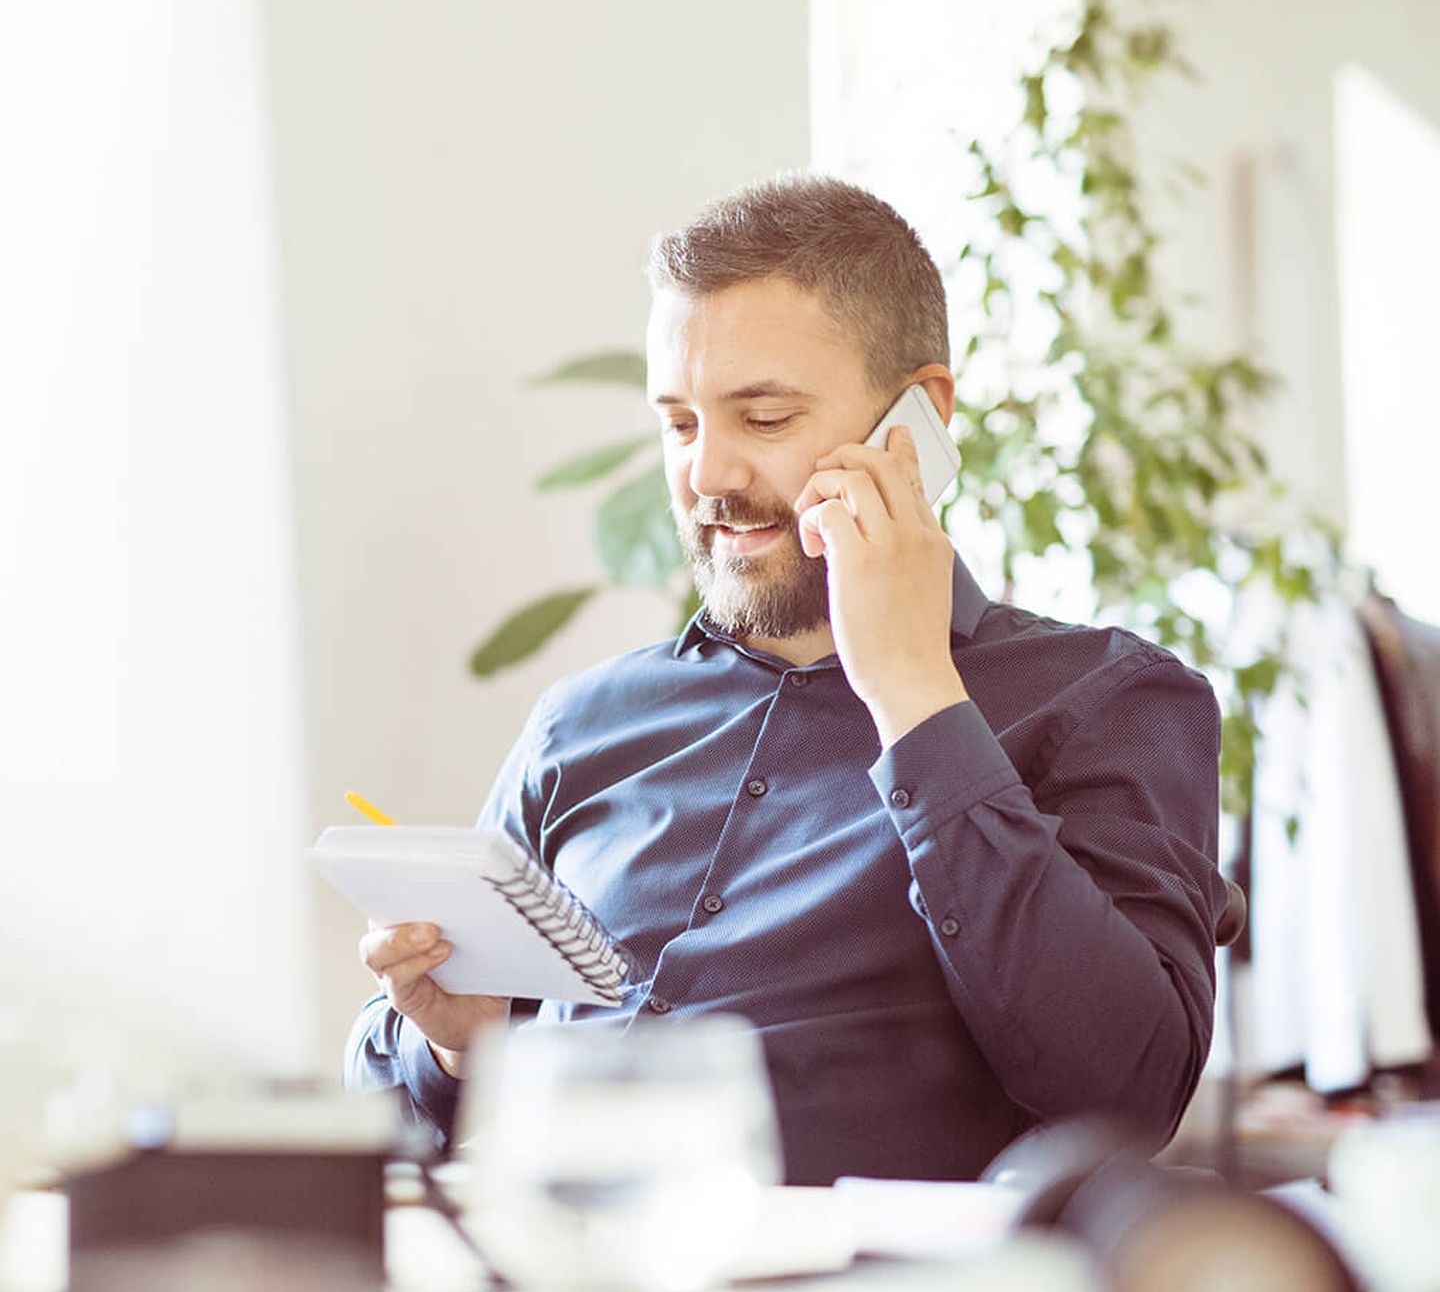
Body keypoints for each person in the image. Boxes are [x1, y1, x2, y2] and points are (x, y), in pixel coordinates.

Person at [345, 173, 1229, 1185]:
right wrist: (458, 1046)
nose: (707, 475)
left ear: (918, 420)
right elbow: (376, 1122)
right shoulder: (580, 725)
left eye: (762, 418)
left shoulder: (1107, 698)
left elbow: (1129, 1090)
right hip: (551, 1287)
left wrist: (911, 689)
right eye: (679, 423)